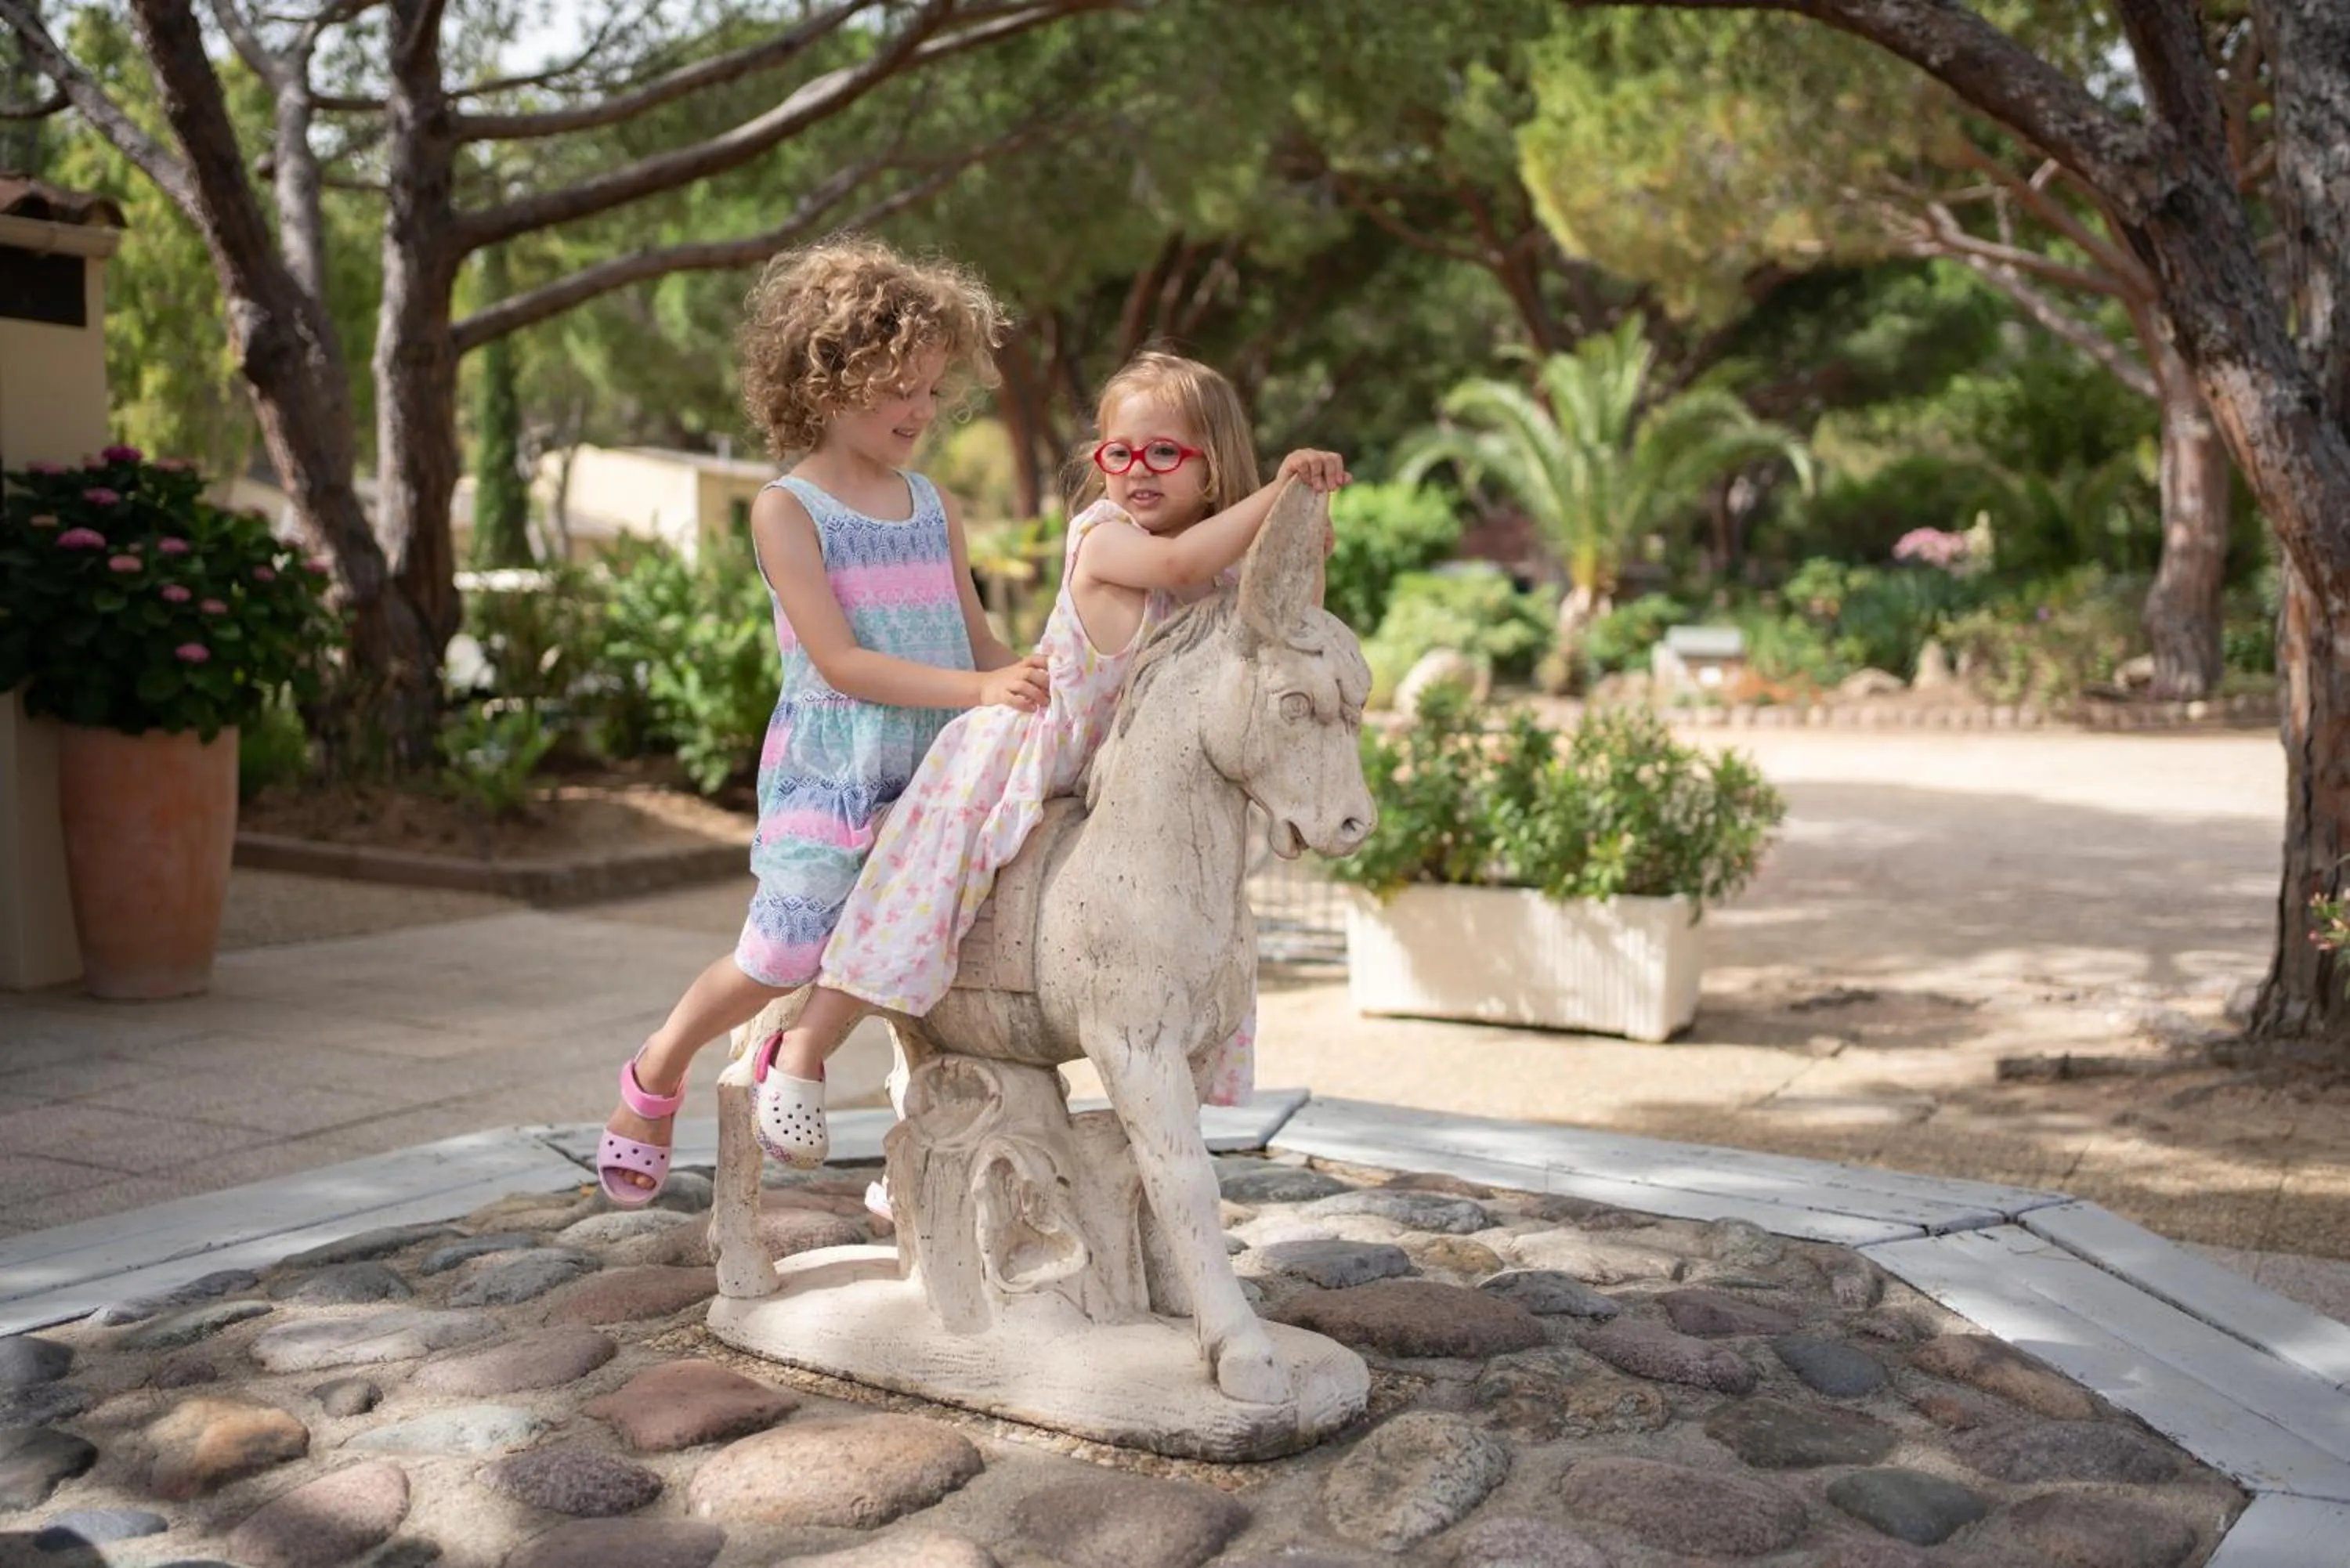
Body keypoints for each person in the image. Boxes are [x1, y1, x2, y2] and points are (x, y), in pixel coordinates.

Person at [747, 349, 1349, 1165]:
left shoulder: (1224, 566)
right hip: (1025, 746)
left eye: (1164, 452)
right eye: (1118, 453)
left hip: (1113, 772)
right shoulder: (1104, 540)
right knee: (919, 893)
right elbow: (1176, 565)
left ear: (1213, 467)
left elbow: (1283, 621)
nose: (1138, 471)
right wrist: (1279, 491)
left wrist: (1303, 526)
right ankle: (804, 1049)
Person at [598, 236, 1050, 1205]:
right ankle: (658, 1065)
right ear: (828, 377)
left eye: (934, 392)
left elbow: (975, 638)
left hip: (932, 766)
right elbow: (839, 662)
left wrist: (1039, 679)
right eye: (901, 390)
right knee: (785, 950)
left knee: (902, 934)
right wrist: (976, 692)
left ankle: (797, 1064)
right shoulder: (786, 509)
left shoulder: (931, 504)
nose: (922, 413)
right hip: (836, 767)